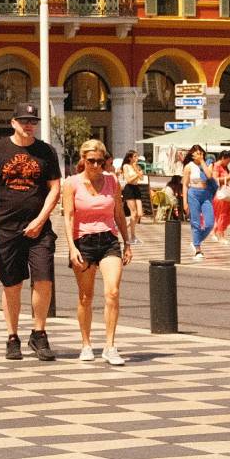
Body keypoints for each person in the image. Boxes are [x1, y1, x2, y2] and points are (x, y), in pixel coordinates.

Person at [0, 105, 60, 361]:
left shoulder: (46, 151)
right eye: (24, 121)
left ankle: (39, 333)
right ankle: (12, 337)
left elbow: (55, 188)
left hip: (39, 227)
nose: (29, 125)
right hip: (6, 226)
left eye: (32, 121)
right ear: (13, 122)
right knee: (12, 283)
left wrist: (41, 219)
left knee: (44, 278)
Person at [62, 138, 130, 365]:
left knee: (112, 292)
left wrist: (127, 243)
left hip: (109, 240)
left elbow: (119, 213)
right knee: (86, 297)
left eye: (100, 161)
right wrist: (71, 247)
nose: (96, 166)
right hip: (83, 241)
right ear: (83, 159)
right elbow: (68, 216)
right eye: (91, 161)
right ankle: (86, 343)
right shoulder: (72, 183)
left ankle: (110, 346)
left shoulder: (112, 182)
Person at [180, 144, 215, 262]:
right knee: (196, 223)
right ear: (192, 155)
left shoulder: (208, 163)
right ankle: (198, 249)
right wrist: (184, 202)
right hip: (193, 193)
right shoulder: (188, 167)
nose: (199, 155)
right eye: (196, 153)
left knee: (210, 223)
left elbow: (209, 175)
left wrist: (202, 161)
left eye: (201, 153)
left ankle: (196, 241)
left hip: (206, 194)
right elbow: (185, 185)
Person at [118, 151, 147, 246]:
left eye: (137, 156)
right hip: (129, 188)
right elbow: (128, 180)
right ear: (130, 158)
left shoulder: (137, 167)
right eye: (135, 156)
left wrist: (137, 171)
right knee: (133, 214)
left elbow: (142, 178)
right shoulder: (126, 166)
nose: (137, 158)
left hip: (136, 188)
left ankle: (122, 229)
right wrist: (137, 174)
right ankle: (132, 236)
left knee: (139, 214)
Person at [209, 152, 230, 243]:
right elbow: (215, 180)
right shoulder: (216, 166)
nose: (229, 162)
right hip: (221, 194)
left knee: (221, 215)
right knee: (222, 215)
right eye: (228, 160)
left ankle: (214, 232)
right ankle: (221, 236)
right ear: (223, 158)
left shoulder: (224, 167)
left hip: (224, 193)